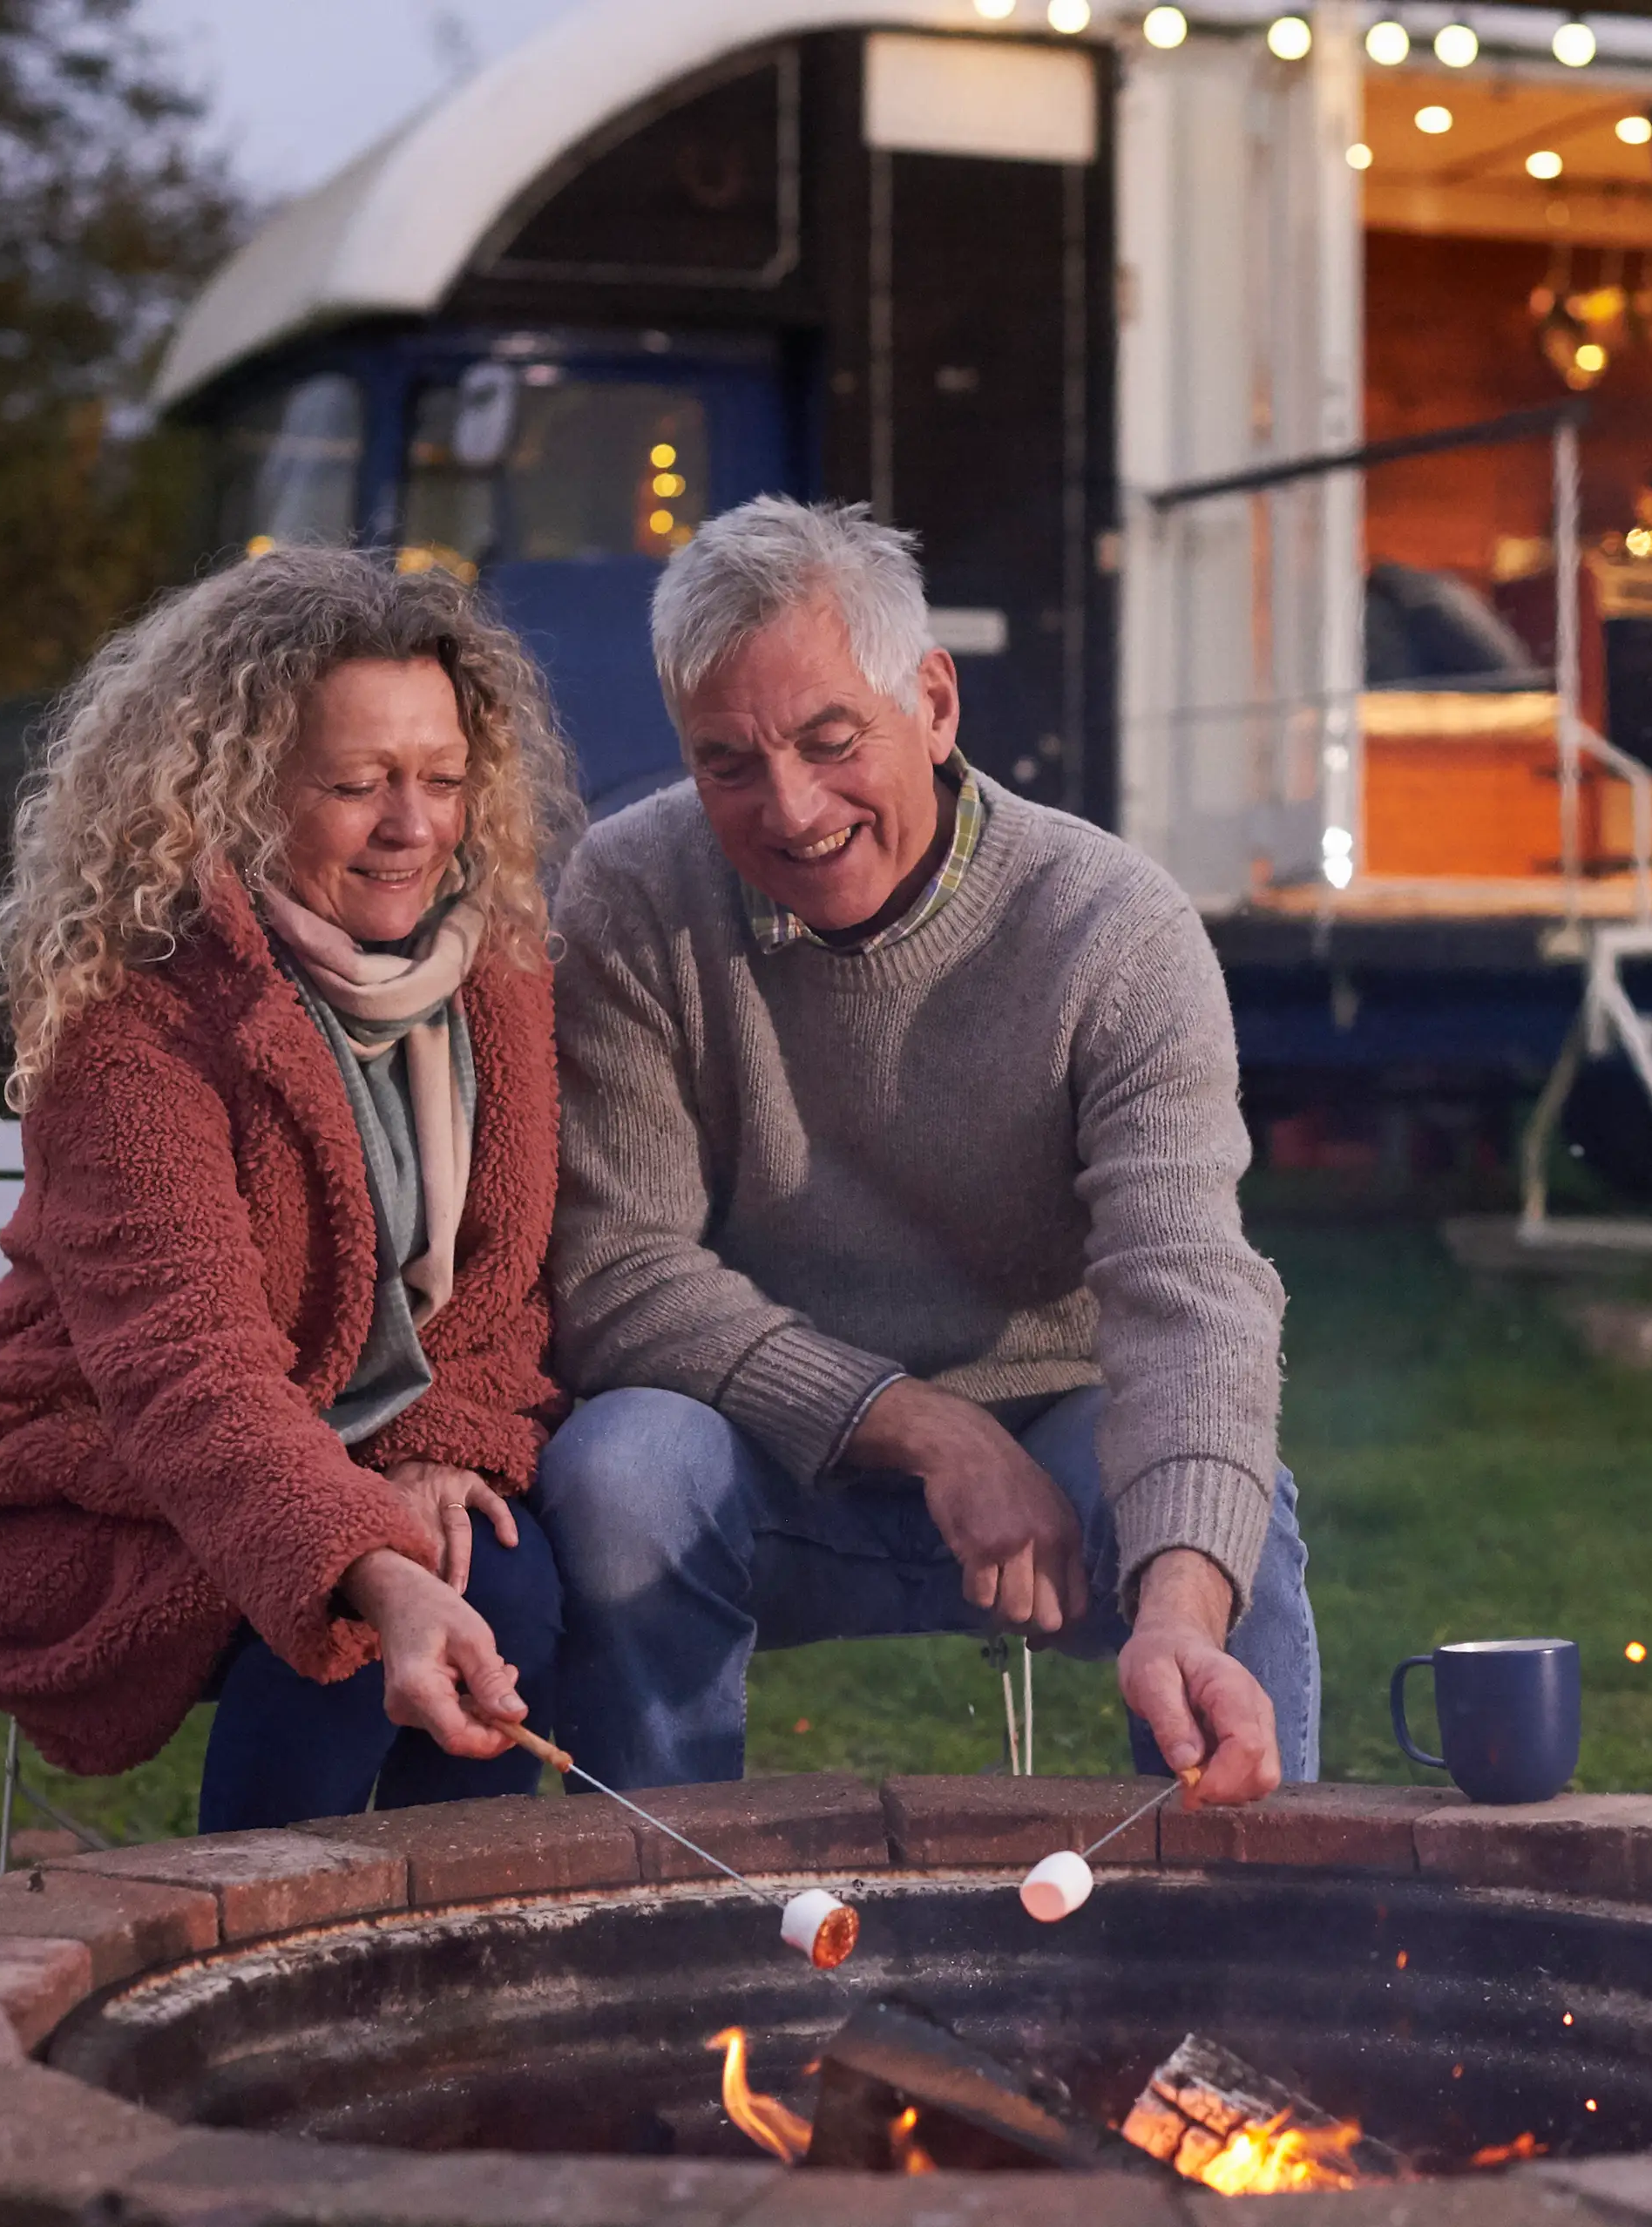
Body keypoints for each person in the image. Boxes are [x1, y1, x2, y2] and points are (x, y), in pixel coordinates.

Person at [538, 498, 1318, 1804]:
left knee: (1236, 1522)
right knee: (619, 1471)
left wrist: (1178, 1603)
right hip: (764, 1456)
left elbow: (1188, 1287)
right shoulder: (629, 895)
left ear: (936, 704)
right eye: (726, 763)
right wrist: (923, 1431)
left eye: (831, 741)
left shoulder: (1112, 928)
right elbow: (617, 1275)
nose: (790, 809)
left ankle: (1254, 1959)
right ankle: (667, 1920)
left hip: (1065, 1445)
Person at [0, 546, 580, 1829]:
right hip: (115, 1471)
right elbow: (184, 1367)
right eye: (357, 784)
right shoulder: (140, 1013)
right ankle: (264, 1954)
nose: (414, 825)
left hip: (363, 1449)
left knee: (508, 1586)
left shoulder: (495, 966)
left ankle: (453, 1979)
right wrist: (367, 1557)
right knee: (345, 1623)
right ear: (241, 788)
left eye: (442, 780)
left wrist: (436, 1448)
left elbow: (501, 1279)